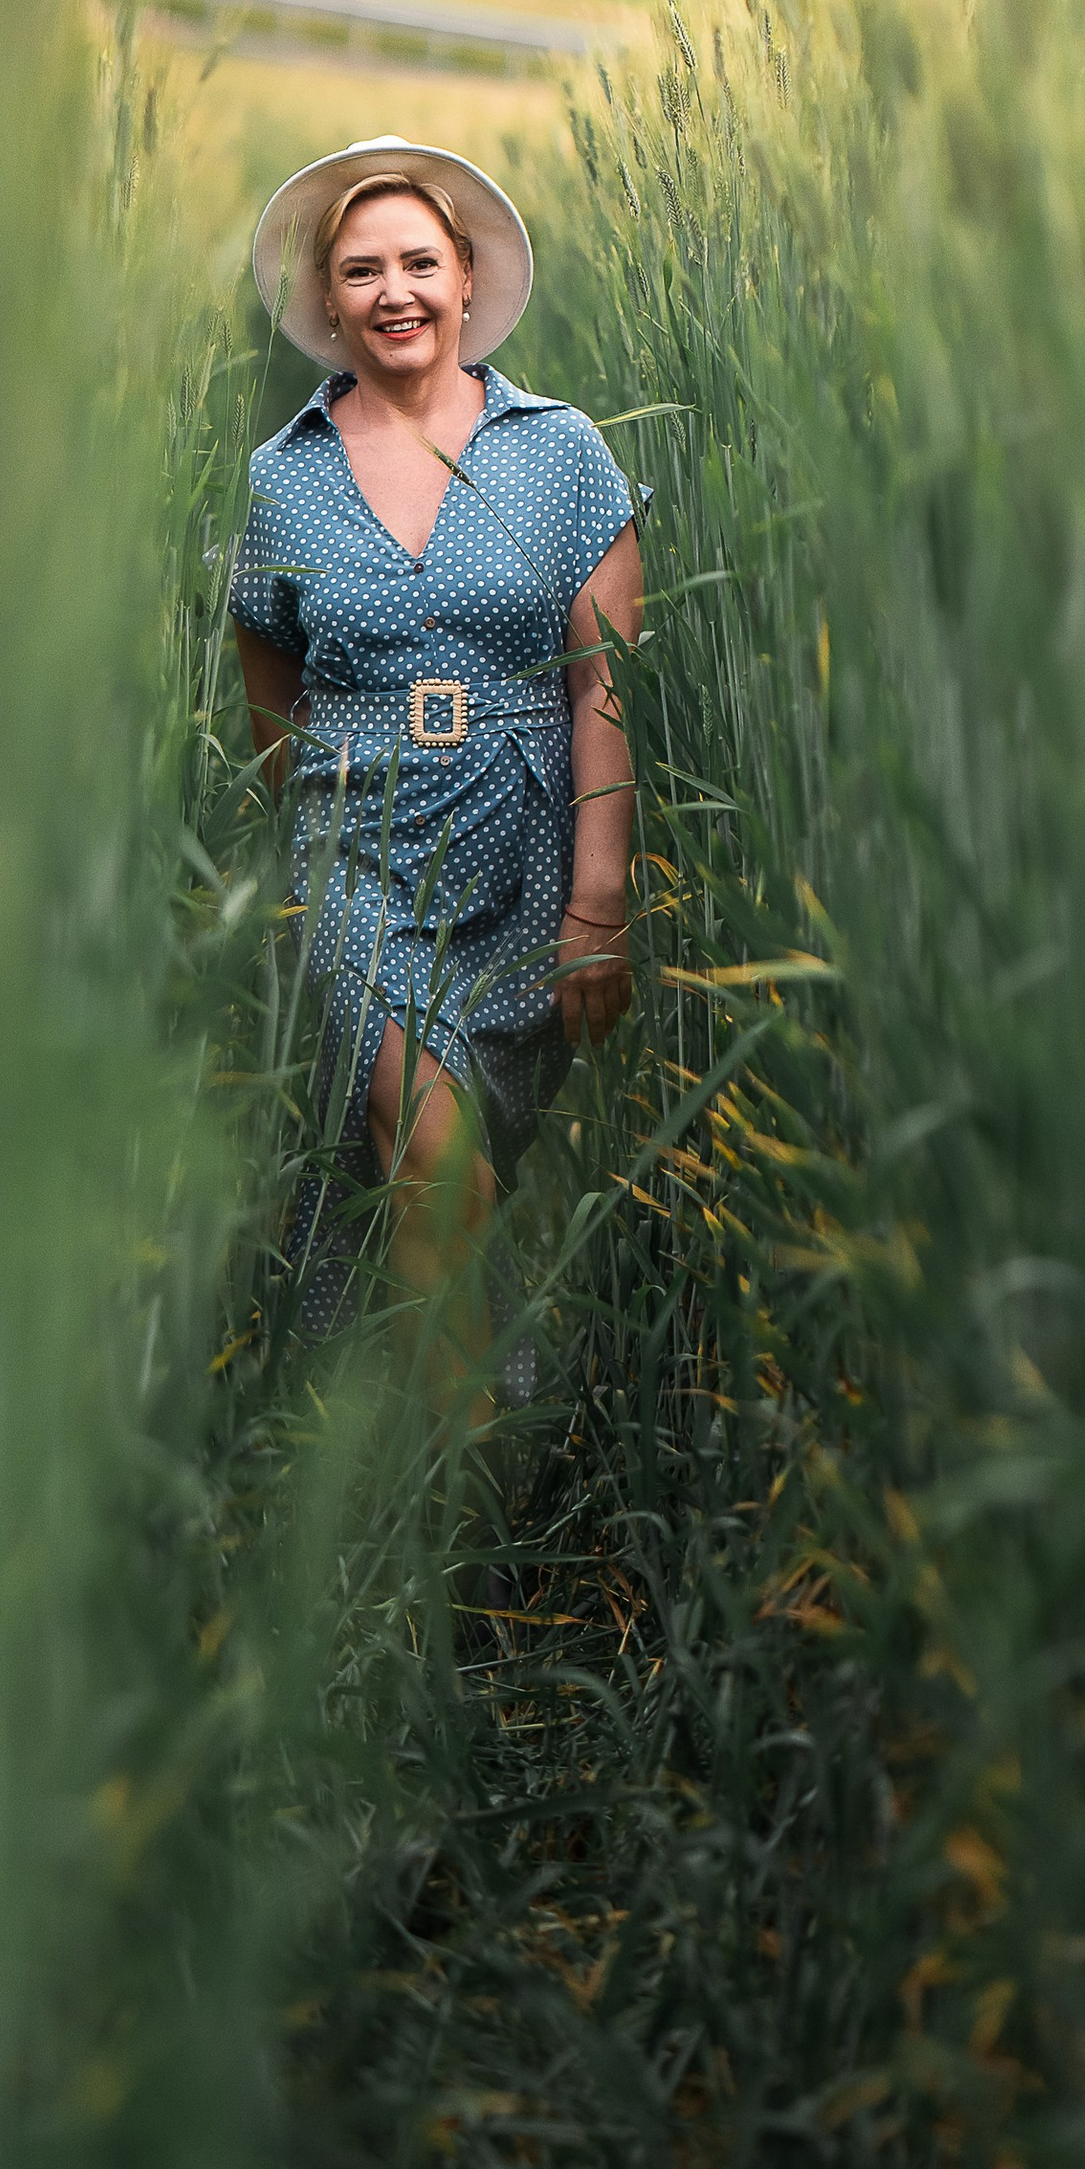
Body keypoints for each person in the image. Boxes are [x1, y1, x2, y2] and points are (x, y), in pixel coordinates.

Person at [229, 132, 643, 1356]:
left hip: (525, 845)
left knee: (451, 1177)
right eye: (360, 270)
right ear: (325, 296)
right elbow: (270, 701)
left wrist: (600, 901)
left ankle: (404, 1484)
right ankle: (471, 1504)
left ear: (466, 275)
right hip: (353, 846)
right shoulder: (281, 473)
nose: (392, 291)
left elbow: (603, 689)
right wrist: (312, 872)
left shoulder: (561, 449)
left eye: (418, 262)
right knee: (430, 1153)